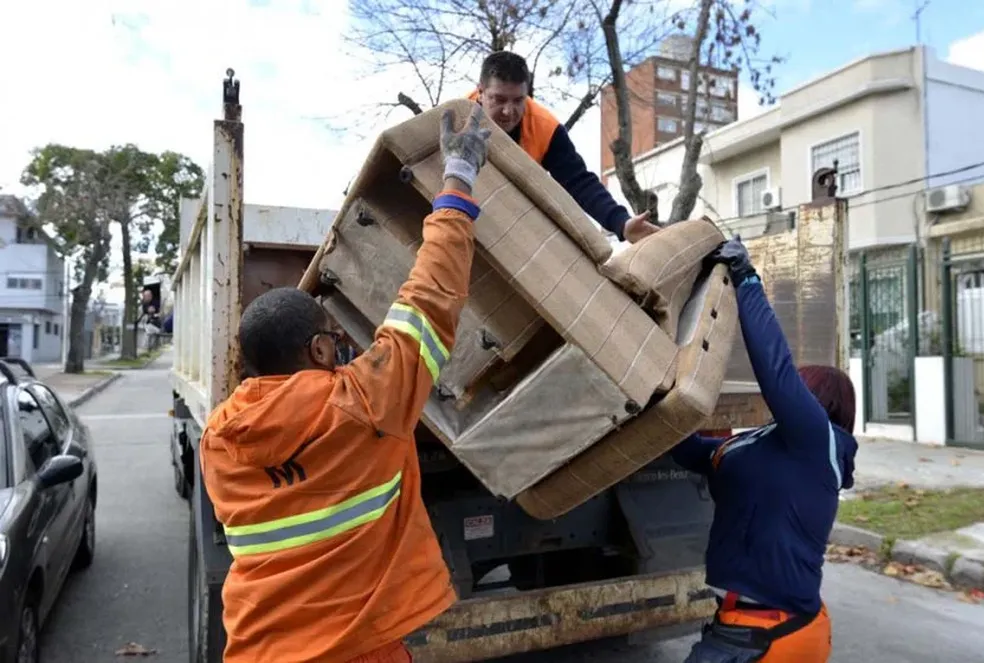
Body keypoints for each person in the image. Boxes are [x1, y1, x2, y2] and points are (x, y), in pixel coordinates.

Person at [198, 106, 492, 662]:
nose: (339, 349)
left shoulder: (217, 442)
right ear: (316, 350)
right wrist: (458, 179)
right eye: (333, 341)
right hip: (356, 650)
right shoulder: (363, 404)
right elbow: (429, 300)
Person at [670, 237, 859, 662]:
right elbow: (690, 451)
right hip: (746, 626)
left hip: (772, 634)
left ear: (815, 399)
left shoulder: (816, 441)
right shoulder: (756, 446)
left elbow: (776, 370)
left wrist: (746, 279)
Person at [468, 50, 661, 244]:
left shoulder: (545, 128)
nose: (508, 111)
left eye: (518, 100)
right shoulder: (458, 119)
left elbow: (579, 182)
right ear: (481, 92)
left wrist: (621, 222)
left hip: (512, 218)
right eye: (499, 99)